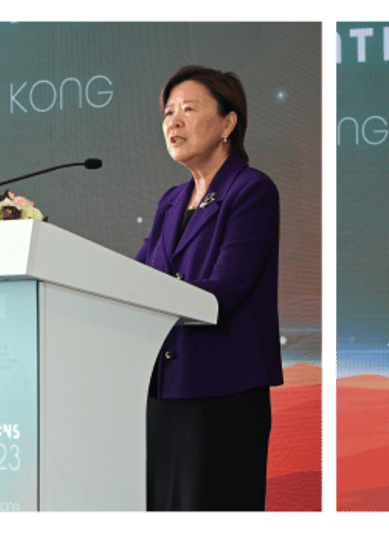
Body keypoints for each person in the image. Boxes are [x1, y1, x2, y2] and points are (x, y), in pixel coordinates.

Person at [135, 65, 282, 512]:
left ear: (228, 123)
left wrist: (166, 291)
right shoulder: (171, 201)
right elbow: (138, 278)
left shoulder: (251, 191)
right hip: (163, 388)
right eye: (167, 112)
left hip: (222, 395)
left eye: (188, 109)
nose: (172, 122)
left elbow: (228, 289)